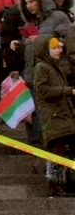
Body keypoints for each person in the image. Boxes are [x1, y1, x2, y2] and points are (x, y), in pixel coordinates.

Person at [33, 35, 75, 197]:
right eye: (55, 48)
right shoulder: (42, 67)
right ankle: (55, 184)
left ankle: (69, 183)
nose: (59, 50)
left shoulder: (56, 67)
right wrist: (67, 91)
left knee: (70, 150)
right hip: (54, 118)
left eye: (59, 47)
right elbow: (42, 90)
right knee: (57, 151)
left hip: (65, 117)